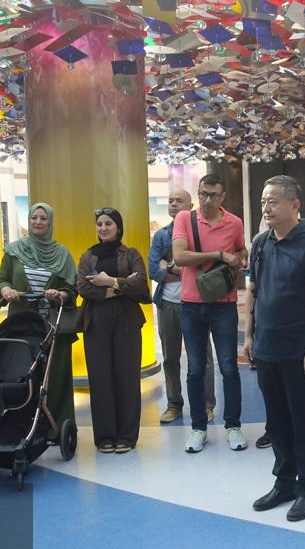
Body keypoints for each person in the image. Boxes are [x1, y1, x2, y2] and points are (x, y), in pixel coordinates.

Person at [244, 176, 305, 522]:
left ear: (294, 205)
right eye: (263, 202)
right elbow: (254, 291)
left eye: (273, 202)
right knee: (277, 421)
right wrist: (249, 336)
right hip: (266, 348)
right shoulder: (261, 243)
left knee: (304, 420)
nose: (266, 208)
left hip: (298, 350)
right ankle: (284, 482)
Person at [172, 173, 249, 453]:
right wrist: (218, 255)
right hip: (191, 304)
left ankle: (233, 426)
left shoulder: (234, 222)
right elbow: (180, 257)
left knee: (229, 367)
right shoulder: (185, 219)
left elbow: (241, 249)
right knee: (195, 368)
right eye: (203, 194)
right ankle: (198, 428)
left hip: (223, 304)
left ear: (222, 197)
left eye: (213, 195)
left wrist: (241, 258)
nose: (207, 200)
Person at [0, 202, 77, 437]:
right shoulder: (14, 251)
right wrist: (5, 290)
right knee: (21, 374)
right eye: (34, 218)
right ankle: (19, 426)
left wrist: (60, 294)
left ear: (50, 223)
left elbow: (72, 288)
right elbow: (1, 279)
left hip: (53, 326)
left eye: (43, 218)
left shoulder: (62, 254)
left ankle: (55, 427)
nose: (38, 222)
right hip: (21, 326)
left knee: (55, 375)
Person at [76, 207, 151, 454]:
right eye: (99, 224)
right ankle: (104, 436)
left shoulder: (131, 253)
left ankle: (127, 436)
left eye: (108, 223)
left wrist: (109, 281)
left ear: (118, 227)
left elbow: (141, 284)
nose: (103, 228)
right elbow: (83, 287)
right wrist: (120, 288)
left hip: (127, 320)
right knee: (100, 377)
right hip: (96, 321)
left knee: (127, 377)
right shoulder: (87, 256)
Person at [148, 189, 216, 424]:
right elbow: (153, 270)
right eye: (170, 201)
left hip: (196, 303)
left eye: (179, 201)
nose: (173, 204)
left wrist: (170, 265)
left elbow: (206, 268)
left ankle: (206, 404)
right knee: (170, 357)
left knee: (202, 357)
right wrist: (184, 267)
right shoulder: (161, 236)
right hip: (167, 304)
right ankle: (174, 404)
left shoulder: (200, 232)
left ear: (190, 206)